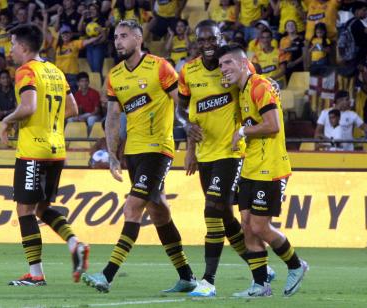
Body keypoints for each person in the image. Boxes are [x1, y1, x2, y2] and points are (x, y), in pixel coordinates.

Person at [81, 19, 197, 293]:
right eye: (115, 37)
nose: (118, 41)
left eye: (123, 36)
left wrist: (188, 131)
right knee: (159, 211)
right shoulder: (116, 75)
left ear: (138, 38)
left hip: (158, 149)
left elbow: (180, 104)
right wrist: (112, 154)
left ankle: (107, 275)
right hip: (133, 152)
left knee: (133, 207)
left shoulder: (160, 67)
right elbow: (112, 117)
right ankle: (187, 276)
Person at [178, 19, 274, 297]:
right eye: (202, 40)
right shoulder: (188, 71)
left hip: (231, 151)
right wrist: (188, 141)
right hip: (205, 152)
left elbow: (257, 87)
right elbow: (183, 108)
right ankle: (261, 270)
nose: (208, 45)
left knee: (211, 209)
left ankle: (208, 281)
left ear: (221, 39)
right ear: (196, 42)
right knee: (224, 214)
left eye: (212, 39)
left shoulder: (235, 66)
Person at [0, 23, 89, 286]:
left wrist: (7, 120)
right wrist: (48, 122)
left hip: (33, 151)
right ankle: (75, 243)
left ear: (24, 47)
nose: (11, 48)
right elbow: (72, 109)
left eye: (13, 44)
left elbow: (28, 106)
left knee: (24, 210)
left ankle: (36, 275)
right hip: (56, 149)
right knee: (41, 207)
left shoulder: (26, 71)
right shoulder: (55, 71)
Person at [217, 43, 308, 297]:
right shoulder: (243, 89)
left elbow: (273, 125)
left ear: (244, 63)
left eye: (228, 63)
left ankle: (296, 265)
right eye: (221, 64)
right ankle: (260, 285)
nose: (223, 68)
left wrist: (243, 131)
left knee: (259, 226)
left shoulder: (260, 86)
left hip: (271, 166)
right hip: (251, 165)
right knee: (246, 224)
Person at [69, 72, 102, 136]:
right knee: (70, 119)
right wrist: (78, 117)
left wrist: (86, 118)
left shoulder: (94, 93)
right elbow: (78, 110)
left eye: (86, 81)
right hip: (84, 115)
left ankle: (89, 137)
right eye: (82, 81)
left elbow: (97, 111)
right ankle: (74, 137)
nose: (84, 83)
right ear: (78, 83)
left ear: (88, 82)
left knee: (90, 119)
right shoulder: (77, 94)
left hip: (94, 115)